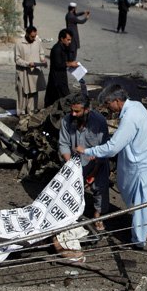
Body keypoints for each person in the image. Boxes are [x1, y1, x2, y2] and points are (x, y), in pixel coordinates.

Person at [76, 85, 147, 248]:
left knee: (143, 199)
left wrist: (87, 150)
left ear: (117, 101)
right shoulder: (136, 105)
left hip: (145, 161)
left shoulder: (130, 116)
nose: (107, 107)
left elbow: (112, 148)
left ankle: (139, 239)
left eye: (107, 103)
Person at [58, 93, 110, 232]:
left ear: (87, 110)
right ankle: (71, 216)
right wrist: (70, 167)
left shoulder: (99, 121)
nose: (73, 114)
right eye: (72, 111)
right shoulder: (67, 120)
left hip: (96, 162)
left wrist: (93, 172)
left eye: (77, 111)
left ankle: (98, 216)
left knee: (100, 189)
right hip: (74, 162)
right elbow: (63, 144)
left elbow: (104, 149)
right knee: (70, 190)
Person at [15, 26, 46, 115]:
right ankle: (21, 113)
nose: (34, 38)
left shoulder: (37, 41)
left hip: (34, 72)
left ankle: (31, 112)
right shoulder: (19, 43)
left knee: (33, 92)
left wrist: (43, 59)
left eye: (35, 35)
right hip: (23, 72)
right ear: (27, 34)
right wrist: (27, 64)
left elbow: (41, 52)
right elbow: (17, 59)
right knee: (22, 93)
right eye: (32, 36)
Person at [44, 29, 78, 108]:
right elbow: (58, 64)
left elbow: (68, 58)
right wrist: (70, 64)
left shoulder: (64, 47)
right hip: (56, 79)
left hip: (62, 77)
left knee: (58, 99)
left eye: (70, 40)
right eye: (68, 40)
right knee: (63, 98)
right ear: (62, 39)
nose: (69, 42)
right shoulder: (57, 49)